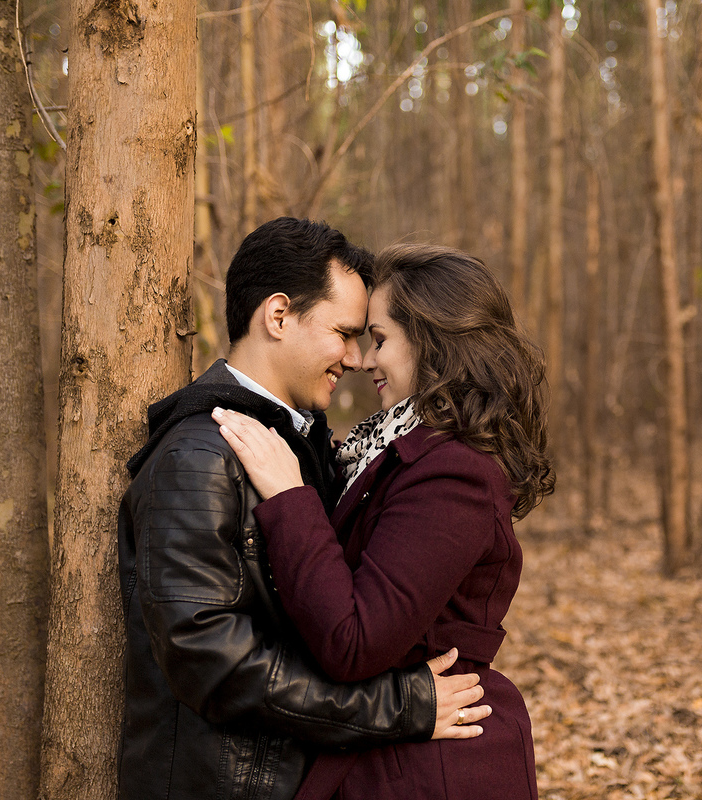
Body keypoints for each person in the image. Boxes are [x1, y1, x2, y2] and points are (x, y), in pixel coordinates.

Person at [117, 220, 490, 800]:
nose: (354, 357)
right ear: (278, 315)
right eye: (342, 333)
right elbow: (209, 659)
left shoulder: (301, 447)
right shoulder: (198, 455)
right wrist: (396, 706)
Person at [212, 242, 554, 799]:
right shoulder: (393, 454)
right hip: (395, 751)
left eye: (380, 340)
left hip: (430, 769)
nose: (364, 360)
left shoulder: (455, 474)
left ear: (433, 343)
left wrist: (290, 497)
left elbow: (355, 640)